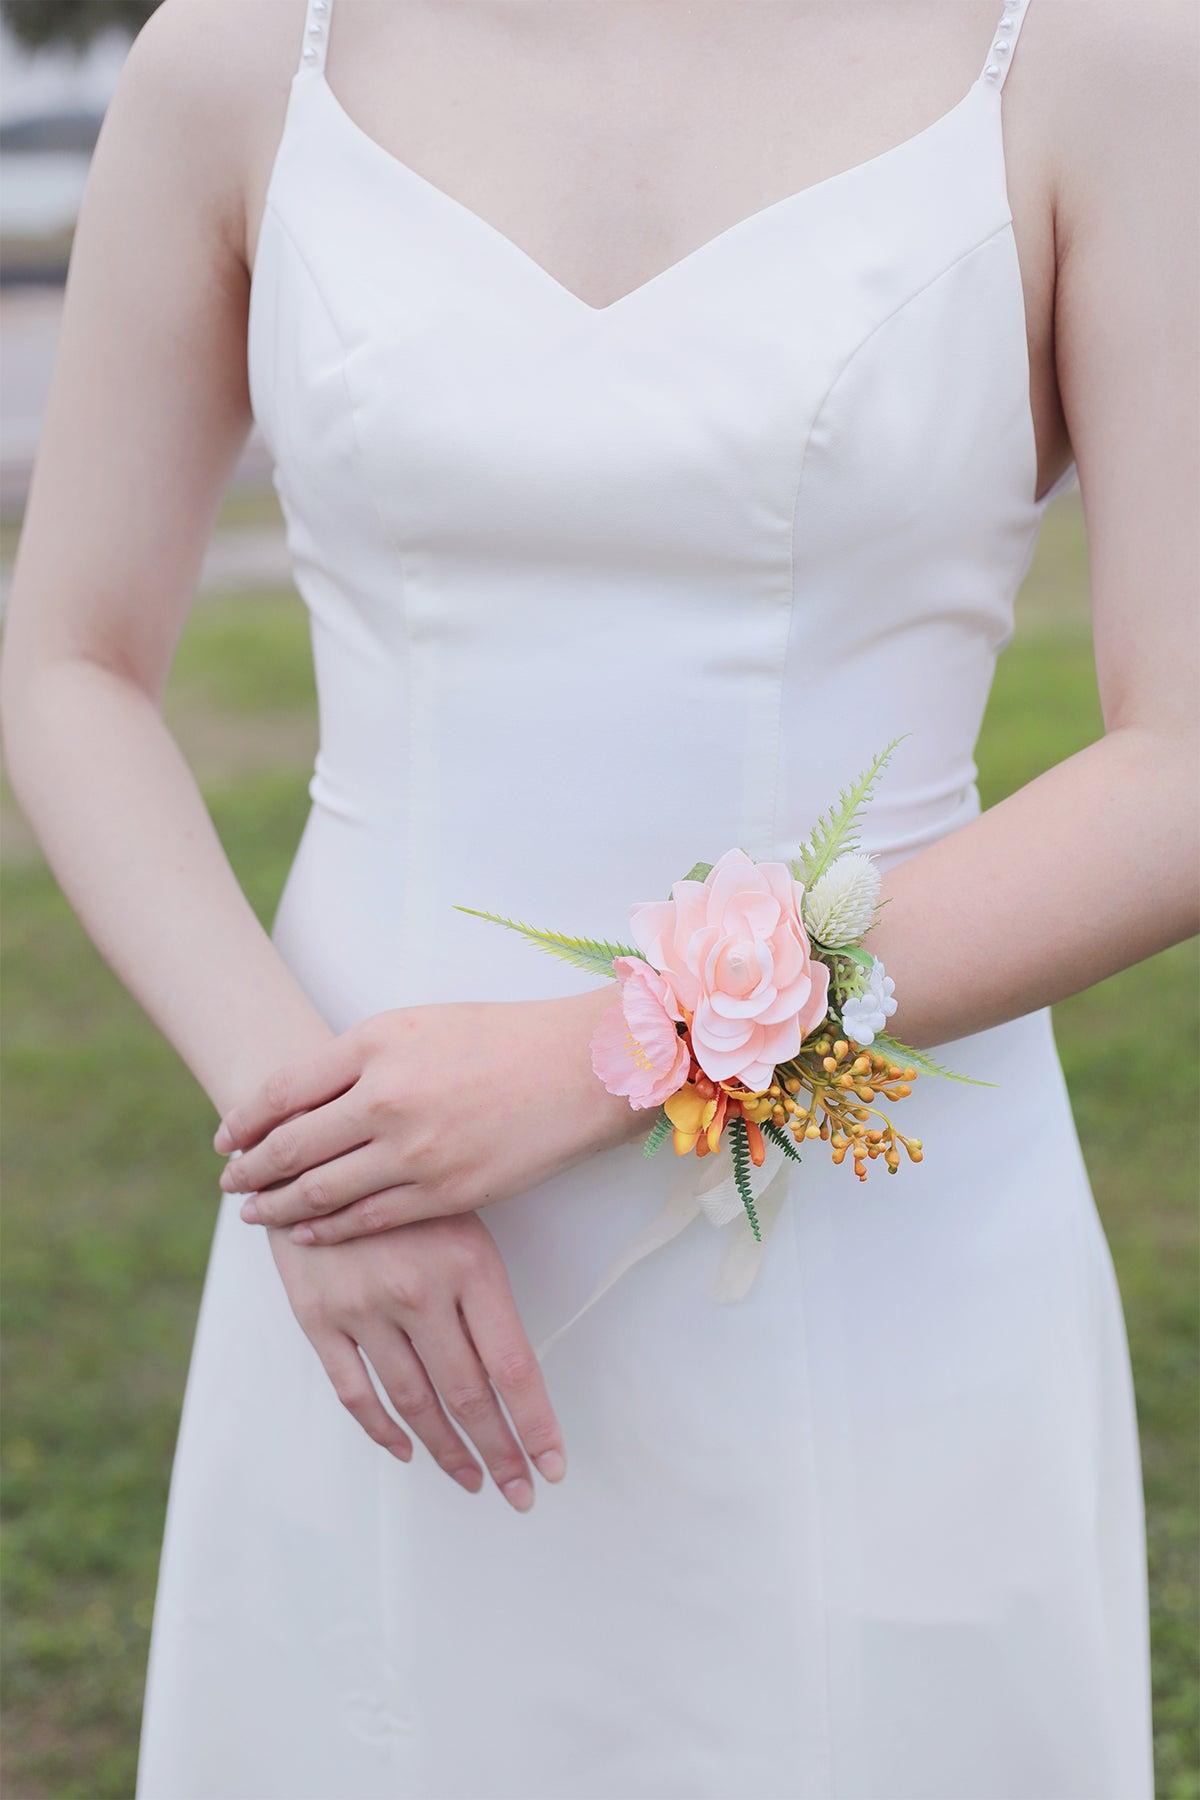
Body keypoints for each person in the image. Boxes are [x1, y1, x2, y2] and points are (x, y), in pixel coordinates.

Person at [3, 0, 1194, 1794]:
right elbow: (70, 661)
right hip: (377, 1252)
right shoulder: (241, 60)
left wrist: (603, 1061)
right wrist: (308, 1148)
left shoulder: (1097, 57)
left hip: (881, 1254)